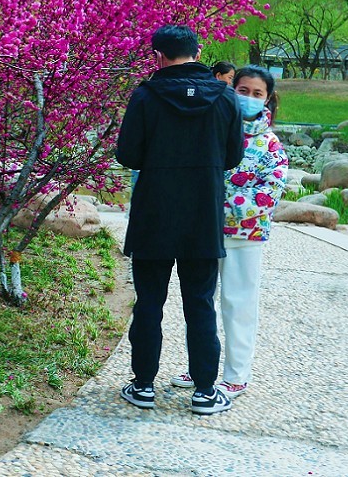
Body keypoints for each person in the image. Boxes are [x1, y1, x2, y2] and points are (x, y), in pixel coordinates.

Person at [116, 25, 244, 415]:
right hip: (203, 215)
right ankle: (204, 391)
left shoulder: (145, 96)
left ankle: (143, 385)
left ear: (158, 56)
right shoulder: (225, 97)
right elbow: (233, 156)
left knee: (149, 302)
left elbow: (127, 155)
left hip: (154, 213)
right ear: (198, 52)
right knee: (200, 304)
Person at [170, 65, 288, 399]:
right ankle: (201, 367)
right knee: (200, 304)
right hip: (204, 232)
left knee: (238, 304)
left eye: (257, 93)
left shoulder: (271, 146)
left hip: (244, 236)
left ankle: (237, 375)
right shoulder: (213, 129)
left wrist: (217, 201)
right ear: (230, 90)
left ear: (267, 98)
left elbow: (267, 195)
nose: (248, 98)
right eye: (243, 90)